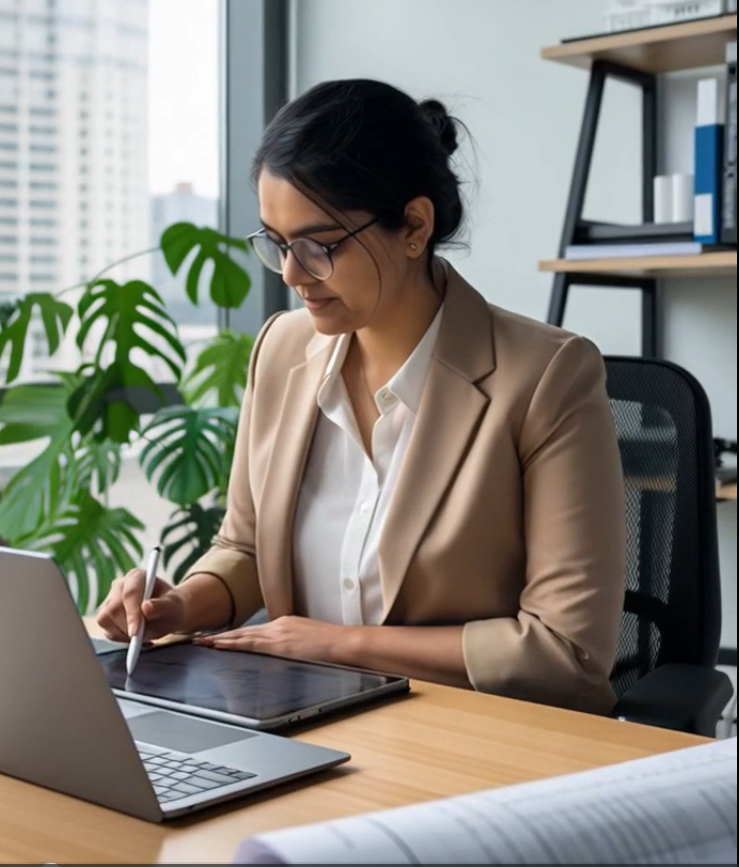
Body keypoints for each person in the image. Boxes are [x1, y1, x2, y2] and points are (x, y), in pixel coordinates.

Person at [98, 79, 626, 715]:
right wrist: (180, 602)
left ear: (413, 226)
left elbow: (564, 650)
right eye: (276, 242)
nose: (291, 274)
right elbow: (244, 548)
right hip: (311, 721)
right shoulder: (283, 350)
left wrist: (345, 645)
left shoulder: (546, 377)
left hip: (479, 735)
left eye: (318, 246)